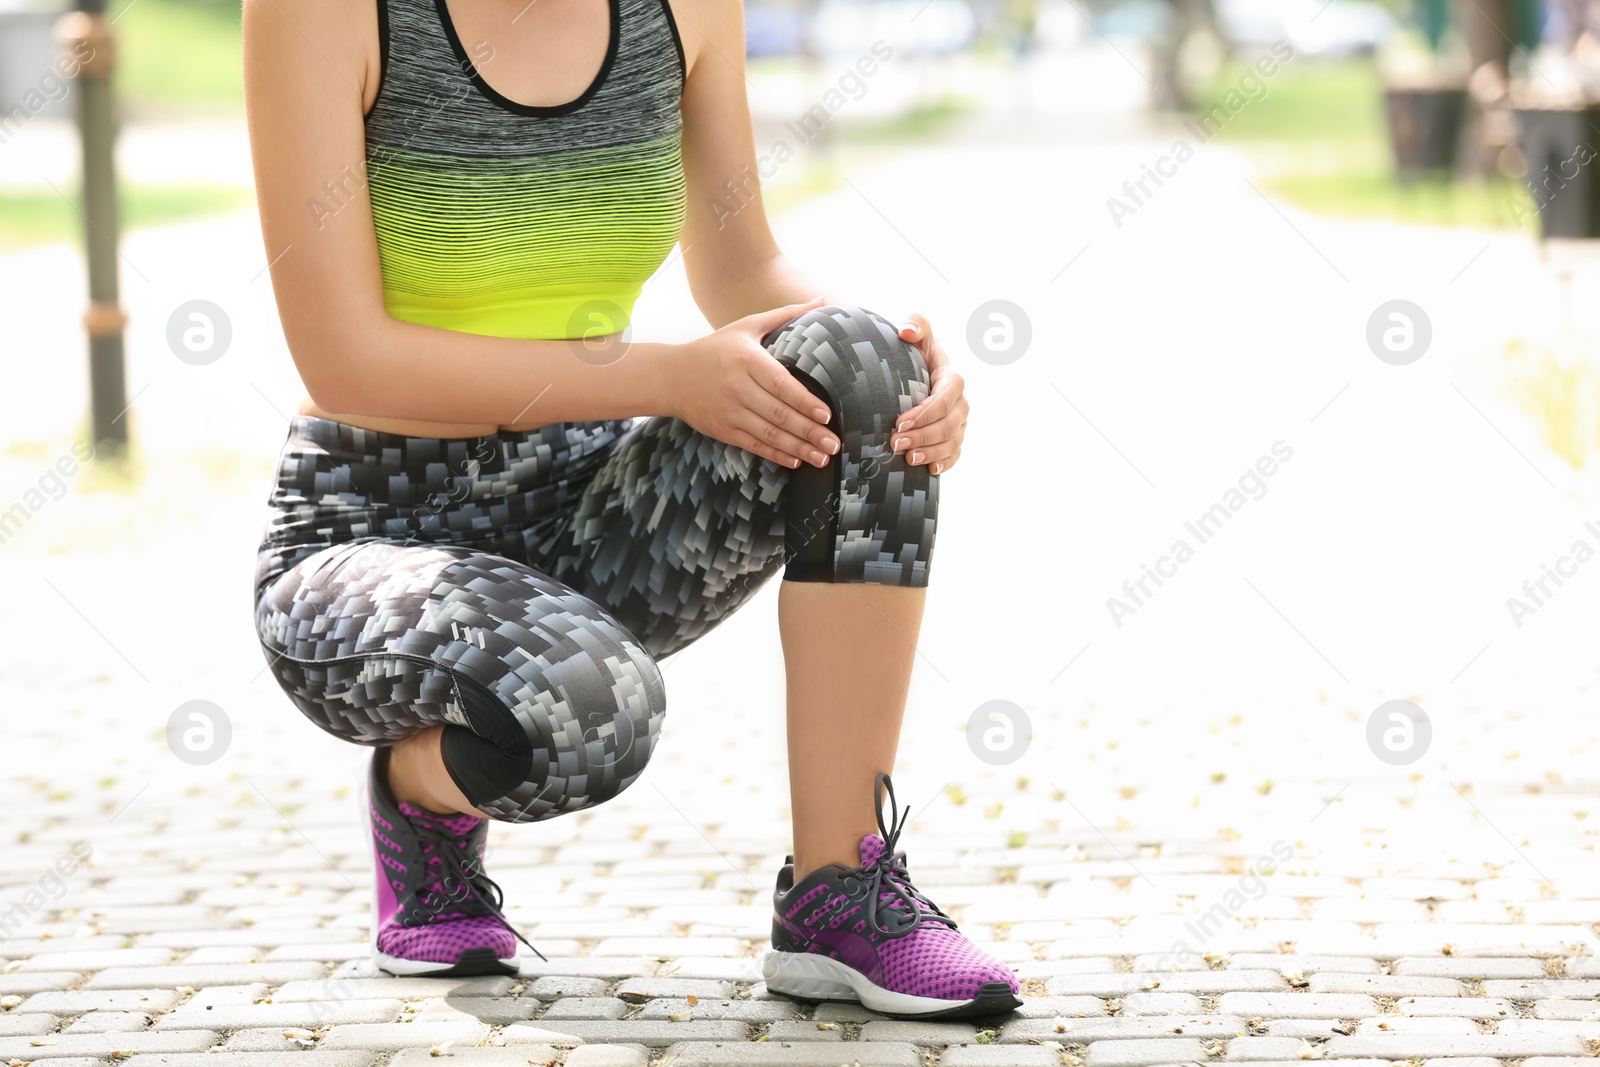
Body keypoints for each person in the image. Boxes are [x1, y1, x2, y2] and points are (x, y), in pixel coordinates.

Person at [242, 0, 1018, 1019]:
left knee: (864, 366)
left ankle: (840, 886)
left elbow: (742, 270)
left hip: (587, 507)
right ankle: (423, 800)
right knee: (587, 713)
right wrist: (660, 376)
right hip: (373, 521)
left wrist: (906, 355)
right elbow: (345, 358)